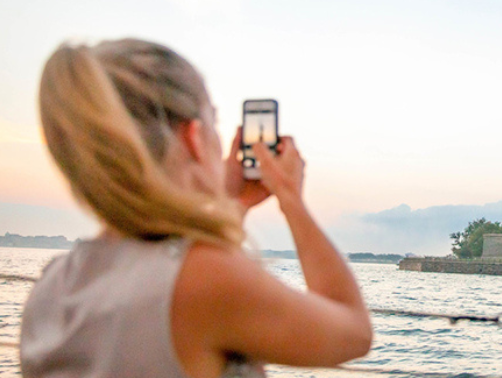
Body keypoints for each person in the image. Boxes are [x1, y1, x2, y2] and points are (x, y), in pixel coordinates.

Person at [20, 39, 372, 378]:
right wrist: (290, 198)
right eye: (213, 122)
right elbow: (353, 332)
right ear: (193, 138)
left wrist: (232, 203)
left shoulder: (52, 286)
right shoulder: (202, 276)